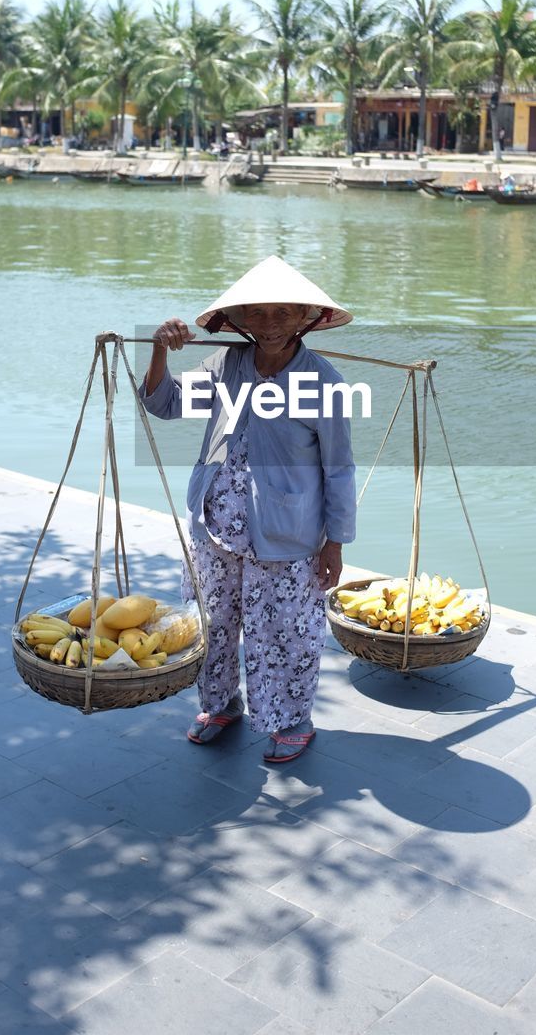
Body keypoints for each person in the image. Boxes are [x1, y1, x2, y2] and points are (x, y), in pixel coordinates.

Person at [140, 255, 356, 763]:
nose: (271, 324)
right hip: (216, 527)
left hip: (285, 534)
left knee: (284, 631)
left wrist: (335, 544)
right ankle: (219, 705)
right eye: (257, 313)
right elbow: (165, 403)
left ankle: (291, 719)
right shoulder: (225, 365)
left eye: (284, 312)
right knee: (213, 623)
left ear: (306, 317)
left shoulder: (325, 384)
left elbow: (339, 471)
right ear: (240, 321)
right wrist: (157, 350)